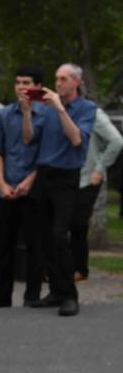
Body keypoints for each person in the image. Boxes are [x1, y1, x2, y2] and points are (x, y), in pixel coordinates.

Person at [23, 63, 96, 316]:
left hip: (67, 177)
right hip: (44, 174)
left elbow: (76, 139)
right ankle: (55, 290)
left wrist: (60, 108)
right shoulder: (46, 109)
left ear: (76, 81)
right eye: (56, 78)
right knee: (43, 236)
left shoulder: (86, 108)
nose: (58, 83)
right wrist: (26, 112)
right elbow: (29, 138)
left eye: (64, 78)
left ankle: (70, 295)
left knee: (59, 234)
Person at [0, 66, 45, 308]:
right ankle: (1, 295)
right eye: (17, 82)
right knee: (4, 245)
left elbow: (44, 155)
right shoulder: (4, 115)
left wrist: (28, 182)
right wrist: (3, 184)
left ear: (37, 86)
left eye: (26, 81)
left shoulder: (46, 114)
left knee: (33, 245)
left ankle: (32, 295)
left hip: (33, 189)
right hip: (6, 189)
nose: (20, 86)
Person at [70, 108, 122, 281]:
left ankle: (80, 268)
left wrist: (100, 168)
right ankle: (60, 266)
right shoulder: (56, 110)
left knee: (78, 223)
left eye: (64, 79)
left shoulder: (92, 113)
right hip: (64, 176)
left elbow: (116, 141)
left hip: (88, 177)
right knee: (61, 223)